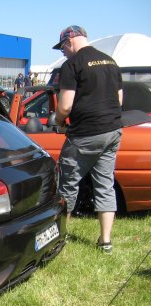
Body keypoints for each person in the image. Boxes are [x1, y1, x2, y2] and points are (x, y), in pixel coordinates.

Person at [52, 25, 123, 253]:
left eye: (62, 47)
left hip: (84, 134)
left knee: (67, 185)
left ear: (69, 40)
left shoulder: (72, 64)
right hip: (112, 132)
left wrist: (59, 120)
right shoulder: (110, 62)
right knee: (105, 185)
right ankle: (105, 241)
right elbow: (118, 100)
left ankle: (60, 238)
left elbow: (65, 105)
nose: (62, 51)